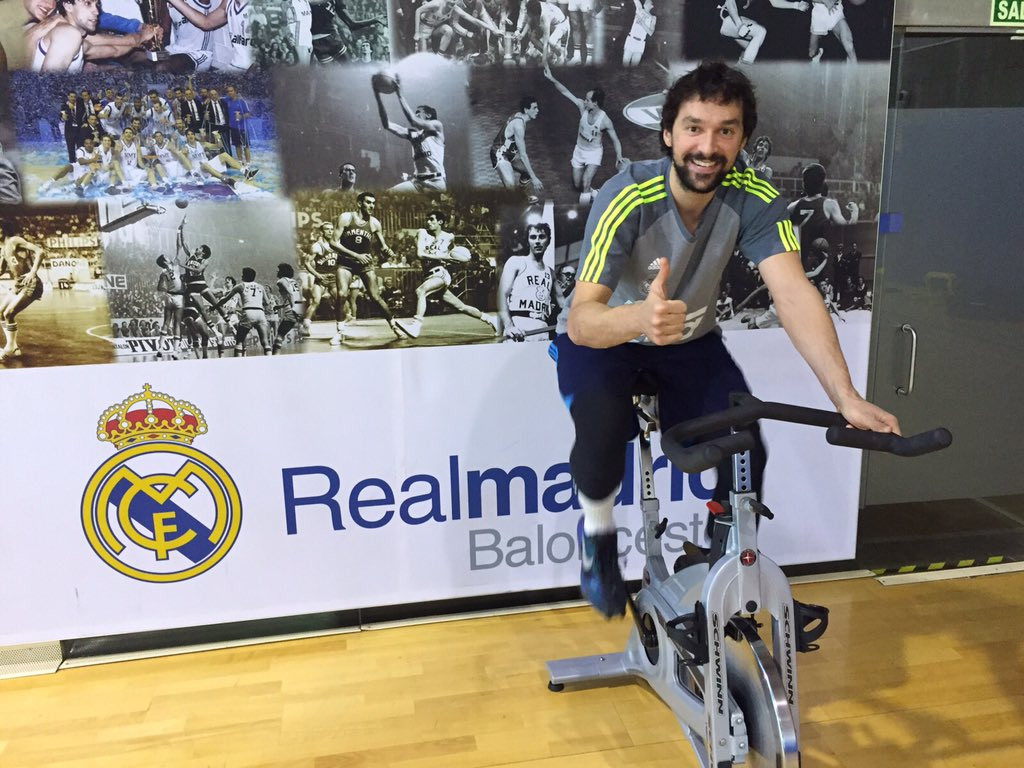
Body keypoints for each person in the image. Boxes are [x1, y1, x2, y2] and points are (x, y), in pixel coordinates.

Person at [552, 60, 899, 618]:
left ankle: (725, 559)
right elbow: (581, 321)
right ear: (669, 134)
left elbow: (793, 293)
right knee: (600, 443)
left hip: (689, 342)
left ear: (742, 138)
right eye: (694, 128)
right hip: (610, 339)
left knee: (745, 445)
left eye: (725, 130)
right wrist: (642, 317)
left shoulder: (755, 197)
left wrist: (846, 398)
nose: (707, 146)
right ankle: (597, 542)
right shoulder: (626, 195)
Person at [395, 210, 499, 339]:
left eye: (431, 219)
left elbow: (454, 253)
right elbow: (420, 254)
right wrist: (444, 257)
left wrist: (457, 259)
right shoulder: (422, 233)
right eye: (427, 219)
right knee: (461, 307)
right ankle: (492, 320)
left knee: (420, 291)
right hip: (429, 275)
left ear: (440, 222)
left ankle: (416, 326)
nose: (428, 222)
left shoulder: (449, 236)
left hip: (441, 274)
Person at [543, 63, 628, 204]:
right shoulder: (582, 107)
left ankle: (585, 214)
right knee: (578, 185)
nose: (584, 101)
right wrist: (552, 79)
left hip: (594, 153)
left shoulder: (605, 121)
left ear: (595, 103)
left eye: (588, 100)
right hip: (579, 151)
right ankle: (595, 193)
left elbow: (616, 140)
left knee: (586, 182)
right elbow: (565, 92)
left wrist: (619, 155)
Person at [331, 192, 409, 342]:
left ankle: (394, 326)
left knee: (375, 296)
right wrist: (355, 255)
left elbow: (383, 246)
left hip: (365, 263)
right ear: (359, 203)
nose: (372, 205)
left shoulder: (375, 223)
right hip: (346, 262)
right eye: (368, 202)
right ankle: (340, 331)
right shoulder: (346, 217)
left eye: (373, 203)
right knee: (341, 295)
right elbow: (334, 243)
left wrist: (387, 251)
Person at [373, 73, 447, 193]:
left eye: (419, 112)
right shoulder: (413, 134)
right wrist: (377, 96)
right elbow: (387, 124)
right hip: (417, 183)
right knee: (386, 195)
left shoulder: (437, 127)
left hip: (436, 183)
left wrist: (399, 94)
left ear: (428, 115)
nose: (416, 113)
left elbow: (413, 120)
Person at [498, 221, 559, 341]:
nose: (537, 241)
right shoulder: (517, 262)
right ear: (528, 241)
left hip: (542, 328)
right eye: (533, 237)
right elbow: (501, 295)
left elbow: (563, 302)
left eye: (542, 237)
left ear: (548, 240)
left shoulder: (551, 272)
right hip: (519, 325)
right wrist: (509, 326)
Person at [0, 224, 46, 361]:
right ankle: (13, 347)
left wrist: (33, 272)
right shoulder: (3, 249)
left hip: (31, 283)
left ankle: (9, 349)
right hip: (18, 284)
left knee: (9, 313)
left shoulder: (14, 240)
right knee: (1, 311)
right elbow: (1, 270)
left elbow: (40, 252)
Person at [717, 0, 808, 64]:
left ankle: (738, 70)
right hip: (723, 18)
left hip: (735, 21)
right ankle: (744, 69)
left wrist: (796, 5)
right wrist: (739, 25)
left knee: (752, 48)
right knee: (760, 32)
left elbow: (774, 1)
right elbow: (729, 2)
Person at [490, 96, 543, 196]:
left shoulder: (520, 116)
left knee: (527, 173)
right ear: (526, 110)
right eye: (534, 108)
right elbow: (523, 155)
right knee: (511, 188)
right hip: (499, 154)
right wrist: (535, 178)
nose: (538, 110)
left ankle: (521, 196)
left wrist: (532, 175)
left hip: (510, 153)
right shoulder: (519, 125)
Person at [622, 0, 655, 66]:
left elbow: (651, 33)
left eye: (648, 2)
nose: (646, 2)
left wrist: (643, 24)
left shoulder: (653, 18)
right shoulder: (639, 10)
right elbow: (636, 1)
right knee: (625, 65)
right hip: (631, 39)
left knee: (634, 67)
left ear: (651, 6)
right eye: (645, 2)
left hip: (640, 43)